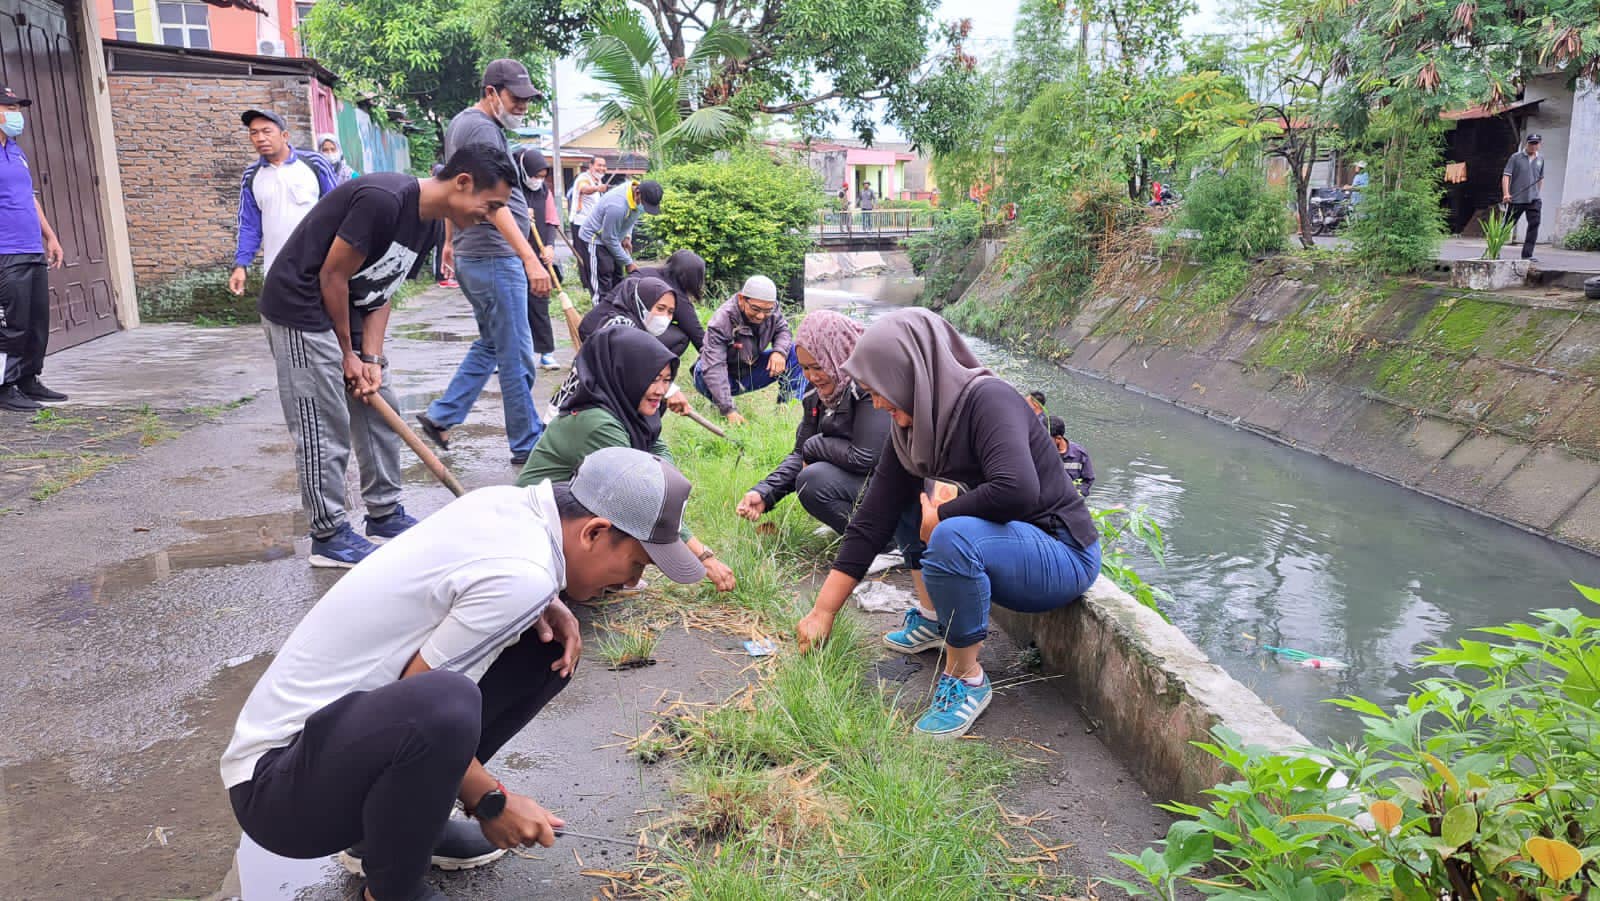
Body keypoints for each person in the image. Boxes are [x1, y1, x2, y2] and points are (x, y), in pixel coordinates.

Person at [222, 446, 706, 901]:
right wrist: (493, 801)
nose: (632, 583)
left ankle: (396, 831)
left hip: (327, 754)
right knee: (448, 703)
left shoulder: (509, 507)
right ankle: (392, 890)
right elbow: (426, 707)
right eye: (636, 564)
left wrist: (548, 602)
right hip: (280, 795)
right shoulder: (523, 574)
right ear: (594, 532)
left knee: (546, 647)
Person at [795, 308, 1102, 739]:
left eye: (880, 392)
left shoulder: (989, 400)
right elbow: (870, 521)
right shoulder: (912, 430)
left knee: (950, 533)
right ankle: (935, 619)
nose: (877, 404)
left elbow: (1017, 489)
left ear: (911, 374)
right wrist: (822, 611)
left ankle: (966, 677)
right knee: (908, 499)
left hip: (1061, 552)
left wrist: (941, 515)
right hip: (1006, 544)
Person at [258, 144, 516, 568]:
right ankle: (328, 535)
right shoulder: (383, 200)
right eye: (490, 205)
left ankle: (384, 515)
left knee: (380, 404)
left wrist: (371, 359)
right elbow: (332, 275)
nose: (490, 216)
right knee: (324, 422)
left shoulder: (429, 223)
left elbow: (382, 289)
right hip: (300, 309)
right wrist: (347, 353)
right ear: (463, 182)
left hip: (349, 310)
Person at [515, 328, 735, 592]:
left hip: (568, 522)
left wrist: (656, 475)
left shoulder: (628, 410)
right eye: (653, 379)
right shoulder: (599, 424)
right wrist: (703, 556)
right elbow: (641, 497)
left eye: (667, 380)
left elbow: (660, 455)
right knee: (629, 512)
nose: (661, 390)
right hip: (534, 532)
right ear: (626, 374)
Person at [421, 59, 552, 466]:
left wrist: (450, 241)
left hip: (476, 252)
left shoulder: (465, 124)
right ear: (492, 92)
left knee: (493, 343)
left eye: (528, 100)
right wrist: (529, 258)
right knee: (516, 353)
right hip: (495, 255)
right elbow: (493, 204)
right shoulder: (481, 129)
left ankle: (442, 416)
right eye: (516, 98)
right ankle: (527, 442)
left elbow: (454, 186)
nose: (522, 107)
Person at [736, 310, 889, 535]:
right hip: (863, 482)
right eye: (805, 368)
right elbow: (801, 454)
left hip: (895, 486)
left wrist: (814, 446)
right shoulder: (816, 393)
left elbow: (866, 457)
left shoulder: (870, 385)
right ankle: (859, 529)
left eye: (818, 367)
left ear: (839, 355)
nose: (812, 376)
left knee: (814, 479)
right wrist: (765, 492)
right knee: (810, 478)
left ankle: (887, 542)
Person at [0, 83, 67, 413]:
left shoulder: (16, 151)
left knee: (36, 321)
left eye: (17, 109)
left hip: (30, 247)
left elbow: (29, 197)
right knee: (11, 325)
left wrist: (50, 236)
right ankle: (3, 386)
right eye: (9, 108)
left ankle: (27, 378)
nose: (17, 114)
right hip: (5, 251)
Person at [229, 109, 339, 298]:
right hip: (276, 269)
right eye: (254, 133)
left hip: (319, 267)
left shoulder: (314, 163)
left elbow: (337, 211)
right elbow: (250, 225)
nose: (260, 138)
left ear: (284, 135)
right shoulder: (251, 176)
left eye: (267, 131)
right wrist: (241, 265)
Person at [693, 274, 805, 425]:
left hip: (750, 370)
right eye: (755, 309)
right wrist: (728, 410)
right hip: (722, 375)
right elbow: (714, 366)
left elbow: (783, 331)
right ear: (741, 299)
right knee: (702, 369)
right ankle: (720, 402)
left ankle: (787, 410)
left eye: (767, 310)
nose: (761, 316)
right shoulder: (722, 321)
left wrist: (779, 352)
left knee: (795, 353)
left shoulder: (772, 310)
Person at [585, 249, 707, 357]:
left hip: (590, 327)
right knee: (681, 337)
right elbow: (699, 338)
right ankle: (653, 370)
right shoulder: (674, 295)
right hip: (612, 345)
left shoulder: (643, 271)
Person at [512, 146, 561, 371]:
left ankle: (546, 352)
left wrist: (549, 246)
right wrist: (521, 213)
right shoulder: (511, 188)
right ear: (525, 171)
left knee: (539, 303)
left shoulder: (544, 191)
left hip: (539, 256)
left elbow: (551, 220)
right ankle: (506, 356)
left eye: (542, 176)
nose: (538, 180)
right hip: (513, 255)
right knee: (512, 306)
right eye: (535, 176)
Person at [577, 178, 663, 298]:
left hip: (613, 238)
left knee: (618, 278)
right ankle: (601, 308)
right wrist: (628, 263)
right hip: (595, 239)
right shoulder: (617, 205)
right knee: (603, 281)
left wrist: (627, 236)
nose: (644, 208)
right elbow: (608, 238)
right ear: (637, 193)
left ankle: (615, 307)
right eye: (645, 204)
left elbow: (632, 215)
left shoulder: (637, 195)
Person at [567, 156, 609, 289]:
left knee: (593, 253)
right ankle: (587, 284)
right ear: (591, 166)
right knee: (583, 254)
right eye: (599, 165)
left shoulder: (598, 180)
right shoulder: (584, 178)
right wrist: (597, 188)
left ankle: (593, 280)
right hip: (580, 223)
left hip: (593, 224)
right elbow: (584, 189)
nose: (602, 168)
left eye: (604, 166)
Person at [1502, 134, 1545, 262]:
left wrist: (1537, 193)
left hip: (1534, 200)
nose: (1533, 146)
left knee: (1534, 224)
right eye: (1531, 143)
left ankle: (1527, 255)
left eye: (1536, 143)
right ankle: (1494, 250)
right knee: (1507, 226)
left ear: (1539, 144)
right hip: (1517, 199)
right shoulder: (1516, 157)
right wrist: (1506, 193)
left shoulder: (1540, 159)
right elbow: (1506, 176)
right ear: (1527, 143)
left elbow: (1540, 178)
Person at [1048, 416, 1095, 498]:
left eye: (1047, 439)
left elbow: (1087, 480)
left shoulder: (1080, 454)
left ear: (1058, 438)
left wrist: (1075, 495)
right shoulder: (1041, 452)